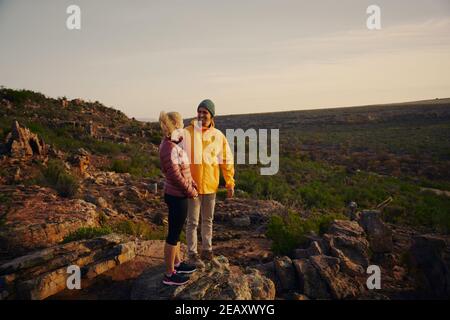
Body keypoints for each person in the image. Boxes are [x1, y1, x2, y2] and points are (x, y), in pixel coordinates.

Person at [184, 99, 235, 268]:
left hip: (211, 186)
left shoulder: (218, 136)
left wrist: (230, 182)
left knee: (208, 220)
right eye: (199, 111)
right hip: (193, 187)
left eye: (205, 112)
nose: (201, 115)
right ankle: (192, 254)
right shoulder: (187, 132)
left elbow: (226, 160)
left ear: (211, 115)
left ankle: (207, 251)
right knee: (192, 222)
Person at [159, 111, 198, 286]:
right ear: (174, 125)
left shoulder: (172, 144)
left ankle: (177, 264)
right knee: (173, 235)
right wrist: (191, 190)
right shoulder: (168, 147)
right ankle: (169, 274)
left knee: (176, 231)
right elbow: (175, 175)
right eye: (181, 124)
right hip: (177, 195)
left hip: (177, 194)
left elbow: (182, 170)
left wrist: (193, 182)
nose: (183, 127)